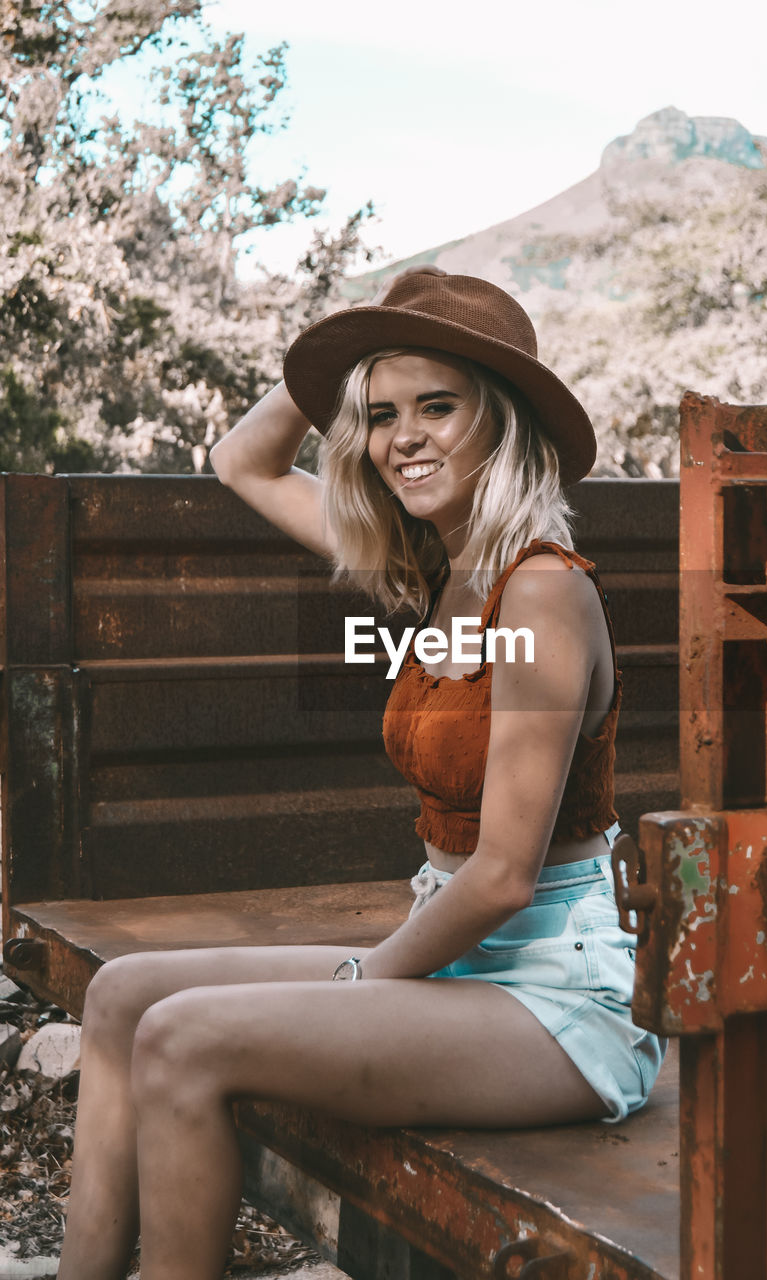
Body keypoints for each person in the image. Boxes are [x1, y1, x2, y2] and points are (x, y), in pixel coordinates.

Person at [57, 268, 665, 1280]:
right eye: (380, 415)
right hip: (456, 960)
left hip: (559, 999)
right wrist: (338, 352)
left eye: (437, 405)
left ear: (502, 423)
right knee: (122, 994)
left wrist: (363, 973)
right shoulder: (437, 570)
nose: (403, 436)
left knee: (185, 1037)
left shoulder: (542, 596)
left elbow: (505, 873)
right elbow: (241, 461)